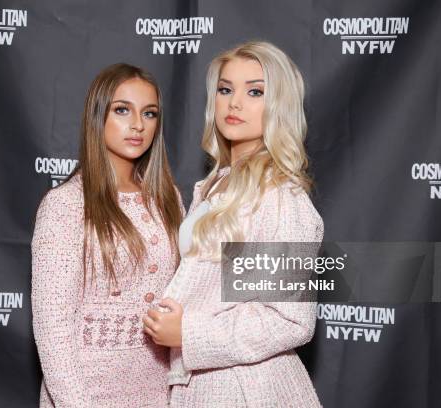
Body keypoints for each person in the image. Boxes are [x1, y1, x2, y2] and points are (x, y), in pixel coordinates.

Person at [142, 41, 324, 407]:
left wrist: (189, 332)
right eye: (225, 89)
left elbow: (289, 320)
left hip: (251, 390)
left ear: (279, 105)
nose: (234, 102)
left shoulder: (279, 197)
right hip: (204, 387)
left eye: (255, 91)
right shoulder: (217, 184)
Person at [31, 63, 184, 407]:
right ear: (97, 116)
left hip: (162, 393)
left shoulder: (168, 198)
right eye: (122, 110)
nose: (138, 125)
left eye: (150, 113)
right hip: (86, 394)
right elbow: (52, 330)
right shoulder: (66, 205)